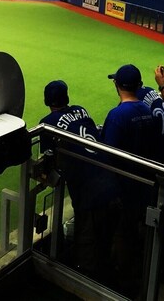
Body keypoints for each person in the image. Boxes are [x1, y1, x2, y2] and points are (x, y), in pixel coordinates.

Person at [37, 80, 119, 282]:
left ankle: (86, 279)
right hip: (111, 177)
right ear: (66, 98)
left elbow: (47, 161)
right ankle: (108, 266)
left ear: (47, 101)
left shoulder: (47, 122)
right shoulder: (81, 110)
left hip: (88, 189)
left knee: (87, 238)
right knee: (107, 231)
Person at [102, 64, 161, 294]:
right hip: (145, 185)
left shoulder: (117, 115)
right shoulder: (147, 110)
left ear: (118, 86)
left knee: (123, 234)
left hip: (123, 188)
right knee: (136, 232)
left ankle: (126, 285)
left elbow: (108, 154)